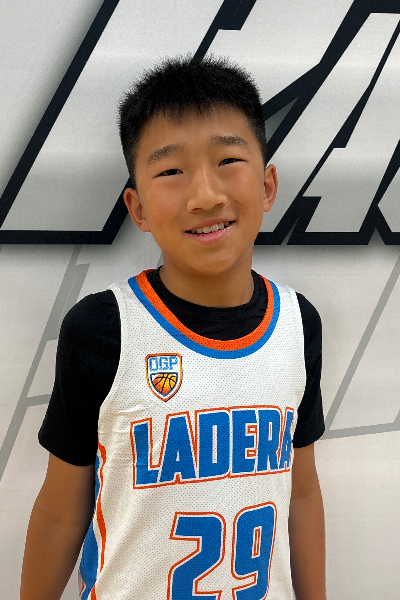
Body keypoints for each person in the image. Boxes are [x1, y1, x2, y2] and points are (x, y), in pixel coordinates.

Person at [20, 54, 326, 600]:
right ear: (137, 208)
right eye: (170, 171)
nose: (205, 195)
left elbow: (300, 494)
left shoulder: (298, 324)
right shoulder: (101, 328)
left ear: (268, 185)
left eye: (228, 160)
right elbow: (61, 512)